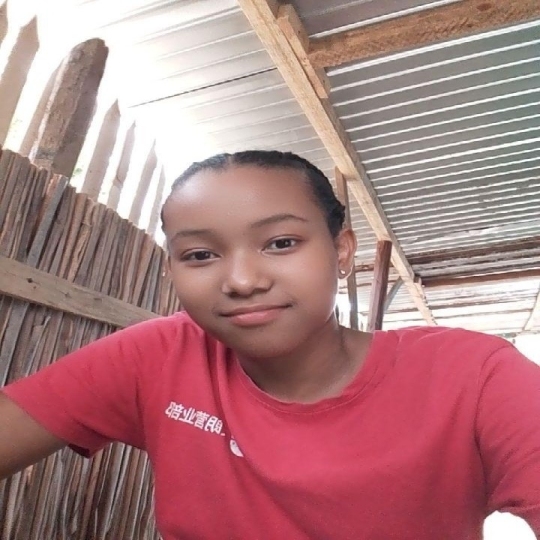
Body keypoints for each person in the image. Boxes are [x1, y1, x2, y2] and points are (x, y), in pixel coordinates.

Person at [0, 150, 539, 539]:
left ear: (341, 251)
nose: (241, 280)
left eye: (281, 243)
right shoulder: (160, 355)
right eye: (200, 255)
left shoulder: (474, 376)